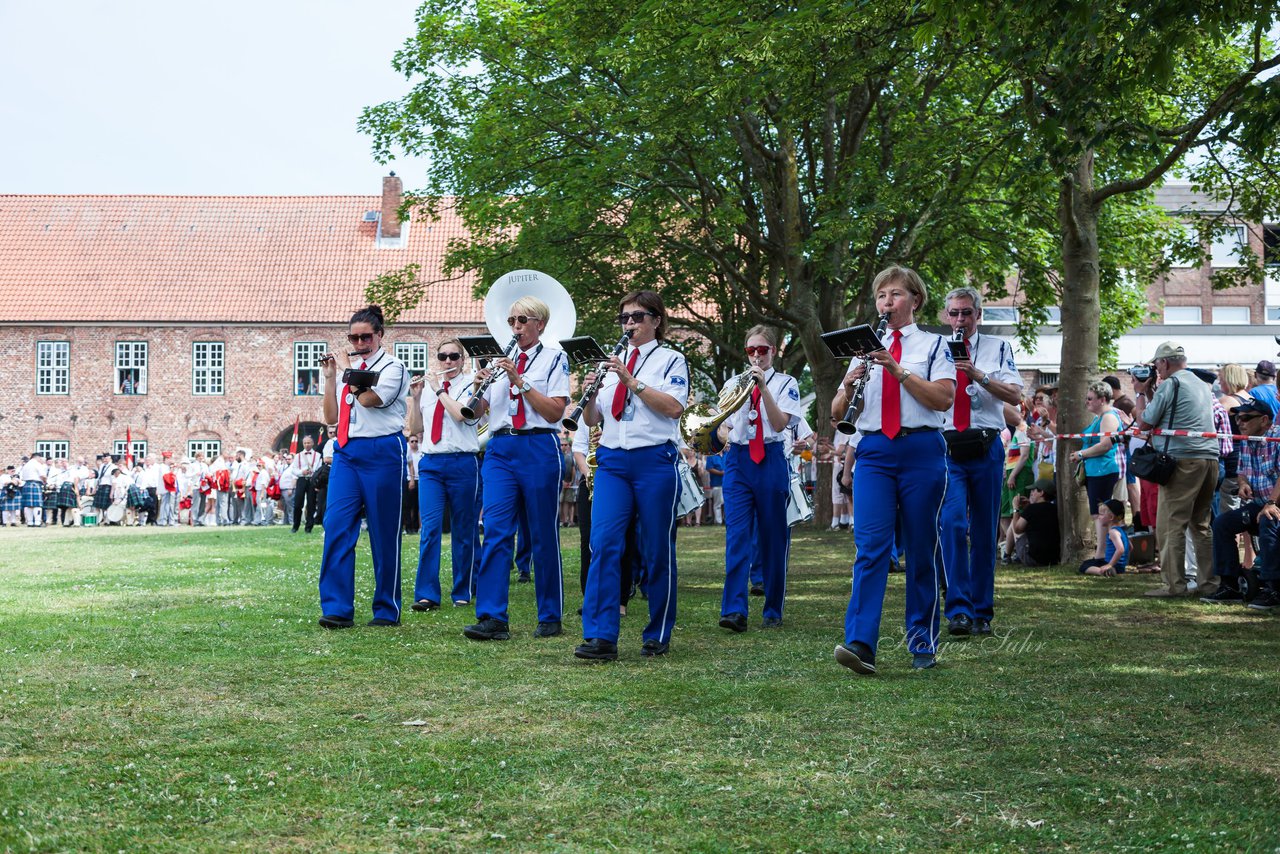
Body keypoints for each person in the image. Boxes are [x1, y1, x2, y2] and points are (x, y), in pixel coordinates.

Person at [830, 266, 955, 674]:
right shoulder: (862, 348)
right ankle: (860, 643)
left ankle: (923, 644)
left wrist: (898, 370)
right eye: (882, 295)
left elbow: (942, 400)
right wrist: (849, 386)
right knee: (871, 548)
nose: (887, 302)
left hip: (921, 448)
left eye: (896, 294)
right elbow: (836, 415)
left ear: (915, 300)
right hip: (875, 450)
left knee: (921, 548)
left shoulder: (936, 345)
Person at [575, 290, 689, 660]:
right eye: (624, 318)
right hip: (612, 460)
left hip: (654, 459)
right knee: (604, 543)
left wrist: (630, 380)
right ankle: (600, 635)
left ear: (656, 320)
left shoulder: (672, 360)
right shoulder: (612, 363)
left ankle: (657, 632)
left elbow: (673, 408)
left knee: (656, 549)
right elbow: (594, 419)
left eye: (638, 317)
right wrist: (589, 393)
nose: (630, 324)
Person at [464, 295, 571, 641]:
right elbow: (478, 412)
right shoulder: (499, 362)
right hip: (499, 447)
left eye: (522, 320)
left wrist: (520, 380)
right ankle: (493, 616)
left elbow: (555, 412)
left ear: (540, 323)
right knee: (494, 530)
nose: (516, 327)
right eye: (511, 322)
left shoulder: (555, 358)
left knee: (542, 532)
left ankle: (550, 614)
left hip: (538, 444)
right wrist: (478, 384)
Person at [315, 304, 411, 629]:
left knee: (384, 533)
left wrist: (347, 372)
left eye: (365, 337)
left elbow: (371, 400)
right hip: (346, 450)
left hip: (382, 448)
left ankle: (386, 609)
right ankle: (337, 608)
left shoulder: (394, 366)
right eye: (353, 338)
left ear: (380, 335)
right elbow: (331, 417)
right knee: (337, 525)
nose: (359, 343)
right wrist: (331, 379)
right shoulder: (347, 371)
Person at [937, 286, 1024, 638]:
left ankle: (982, 612)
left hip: (987, 447)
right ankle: (957, 609)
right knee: (953, 525)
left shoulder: (999, 347)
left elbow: (1015, 395)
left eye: (967, 313)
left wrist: (978, 375)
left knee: (986, 533)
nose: (960, 319)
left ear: (978, 315)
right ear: (946, 315)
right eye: (954, 313)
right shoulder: (934, 348)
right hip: (947, 449)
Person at [717, 324, 806, 633]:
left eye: (762, 350)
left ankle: (773, 607)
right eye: (751, 350)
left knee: (773, 537)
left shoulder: (786, 383)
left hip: (770, 458)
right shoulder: (733, 383)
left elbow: (781, 423)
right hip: (739, 459)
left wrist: (763, 388)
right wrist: (718, 433)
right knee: (737, 536)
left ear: (773, 351)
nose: (756, 356)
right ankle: (734, 610)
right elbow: (724, 425)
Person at [1132, 341, 1220, 599]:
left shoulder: (1171, 384)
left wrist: (1140, 394)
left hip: (1183, 461)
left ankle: (1174, 585)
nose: (1156, 369)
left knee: (1171, 525)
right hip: (1209, 459)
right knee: (1201, 525)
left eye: (1157, 363)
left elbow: (1145, 422)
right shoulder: (1201, 383)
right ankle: (1208, 583)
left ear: (1165, 362)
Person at [405, 337, 482, 611]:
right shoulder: (427, 389)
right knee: (430, 529)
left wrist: (438, 390)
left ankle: (463, 590)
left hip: (462, 461)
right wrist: (415, 399)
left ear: (462, 360)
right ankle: (426, 593)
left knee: (464, 529)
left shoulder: (471, 382)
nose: (447, 362)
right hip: (432, 463)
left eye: (453, 356)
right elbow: (415, 428)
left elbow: (462, 414)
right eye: (442, 357)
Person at [1202, 398, 1280, 607]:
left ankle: (1273, 588)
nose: (1240, 422)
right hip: (1261, 503)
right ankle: (1230, 585)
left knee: (1268, 520)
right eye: (1237, 418)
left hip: (1275, 505)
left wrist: (1272, 502)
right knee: (1222, 523)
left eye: (1245, 418)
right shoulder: (1246, 439)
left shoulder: (1276, 438)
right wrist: (1243, 483)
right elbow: (1242, 472)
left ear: (1264, 420)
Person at [1068, 382, 1125, 562]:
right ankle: (1102, 553)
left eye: (1090, 399)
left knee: (1101, 515)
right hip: (1095, 471)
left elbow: (1105, 445)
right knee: (1097, 514)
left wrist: (1081, 454)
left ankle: (1101, 555)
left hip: (1103, 470)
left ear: (1102, 399)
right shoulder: (1099, 417)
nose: (1087, 402)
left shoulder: (1108, 417)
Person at [1009, 479, 1060, 566]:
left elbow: (1017, 529)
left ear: (1041, 493)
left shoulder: (1031, 509)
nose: (1031, 493)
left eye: (1033, 490)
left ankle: (1007, 555)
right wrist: (1029, 505)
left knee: (1013, 524)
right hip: (1053, 559)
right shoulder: (1055, 508)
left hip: (1032, 559)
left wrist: (1015, 508)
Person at [1077, 499, 1130, 576]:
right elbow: (1130, 547)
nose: (1099, 517)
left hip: (1112, 564)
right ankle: (1110, 570)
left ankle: (1103, 571)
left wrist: (1110, 565)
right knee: (1089, 562)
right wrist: (1123, 563)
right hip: (1119, 567)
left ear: (1111, 517)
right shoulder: (1122, 531)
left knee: (1084, 566)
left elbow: (1120, 549)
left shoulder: (1113, 532)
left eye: (1101, 514)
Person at [288, 436, 321, 533]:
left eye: (309, 443)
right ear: (303, 444)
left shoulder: (318, 455)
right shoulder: (298, 456)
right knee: (298, 503)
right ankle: (295, 525)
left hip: (312, 480)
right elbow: (293, 470)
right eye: (305, 443)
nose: (307, 445)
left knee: (311, 504)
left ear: (312, 443)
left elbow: (318, 469)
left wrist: (312, 473)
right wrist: (302, 472)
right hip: (301, 479)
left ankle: (309, 527)